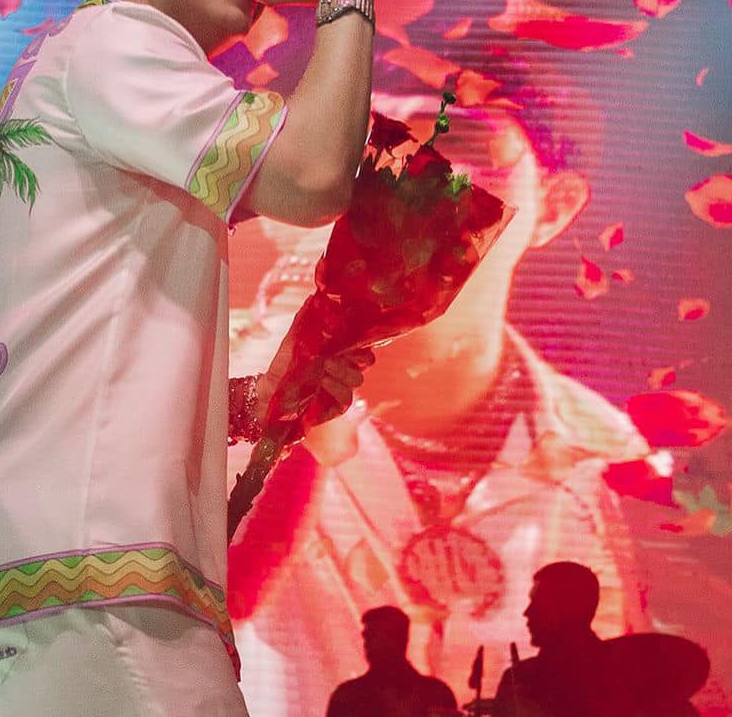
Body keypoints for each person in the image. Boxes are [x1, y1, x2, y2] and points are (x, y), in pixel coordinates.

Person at [0, 0, 376, 715]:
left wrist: (258, 400)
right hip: (81, 553)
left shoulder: (90, 61)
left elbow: (95, 332)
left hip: (48, 548)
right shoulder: (119, 41)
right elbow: (313, 177)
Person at [225, 88, 653, 715]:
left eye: (464, 145)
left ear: (555, 205)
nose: (414, 178)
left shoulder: (618, 468)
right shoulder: (213, 389)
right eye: (380, 145)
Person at [493, 561, 622, 716]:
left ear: (570, 609)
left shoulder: (520, 681)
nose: (527, 612)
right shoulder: (619, 672)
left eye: (540, 604)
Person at [326, 606, 458, 716]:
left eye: (376, 635)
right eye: (368, 636)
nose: (368, 643)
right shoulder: (436, 693)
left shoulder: (348, 696)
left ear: (400, 638)